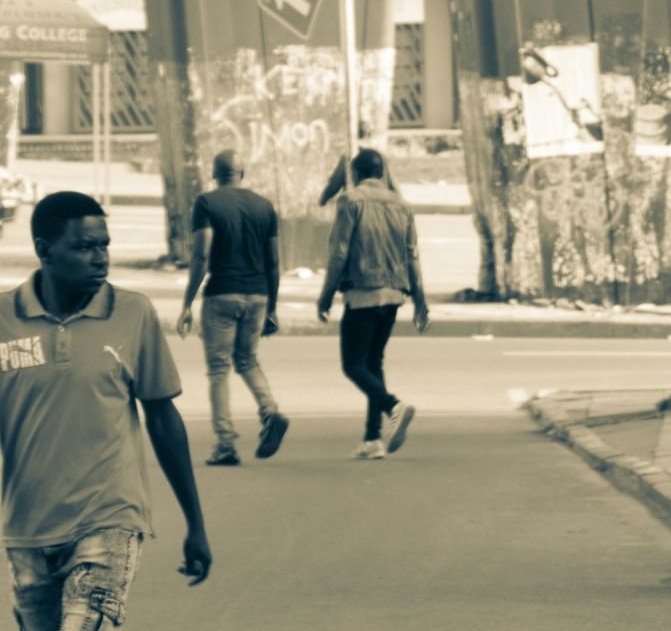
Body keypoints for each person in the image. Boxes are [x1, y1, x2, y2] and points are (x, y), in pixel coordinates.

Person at [0, 192, 212, 629]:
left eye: (105, 245)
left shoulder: (132, 314)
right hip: (26, 528)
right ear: (44, 251)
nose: (100, 259)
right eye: (84, 247)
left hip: (109, 517)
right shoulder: (4, 318)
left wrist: (196, 522)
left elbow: (163, 418)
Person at [176, 150, 290, 465]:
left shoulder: (207, 203)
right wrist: (273, 308)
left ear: (215, 174)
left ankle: (225, 444)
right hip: (258, 295)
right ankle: (269, 411)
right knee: (247, 360)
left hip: (222, 295)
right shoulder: (264, 206)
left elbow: (201, 254)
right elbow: (274, 262)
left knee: (218, 369)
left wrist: (187, 303)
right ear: (243, 172)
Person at [317, 149, 427, 460]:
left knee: (353, 365)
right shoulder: (401, 204)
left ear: (355, 173)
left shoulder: (350, 201)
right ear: (381, 172)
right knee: (373, 363)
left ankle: (393, 406)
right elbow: (412, 255)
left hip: (363, 293)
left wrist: (325, 295)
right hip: (394, 296)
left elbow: (339, 252)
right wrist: (421, 302)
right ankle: (372, 438)